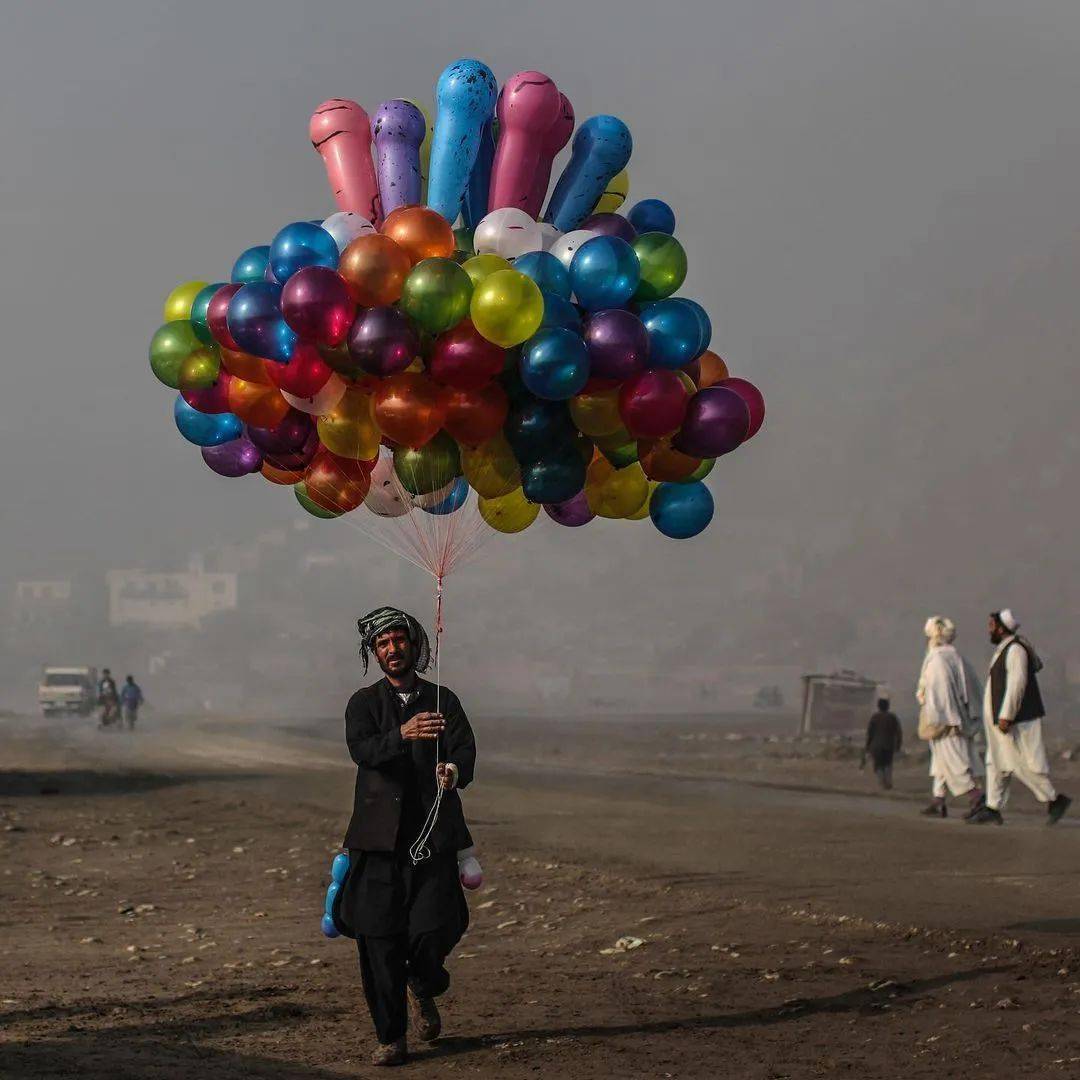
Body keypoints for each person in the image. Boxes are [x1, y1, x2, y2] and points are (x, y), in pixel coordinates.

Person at [334, 606, 477, 1067]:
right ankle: (391, 1037)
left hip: (433, 837)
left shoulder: (443, 699)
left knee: (436, 927)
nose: (392, 650)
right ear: (373, 653)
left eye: (399, 640)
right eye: (383, 644)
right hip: (376, 841)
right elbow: (363, 751)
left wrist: (451, 771)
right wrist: (403, 733)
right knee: (378, 940)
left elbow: (464, 751)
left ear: (415, 644)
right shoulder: (362, 703)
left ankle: (425, 981)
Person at [968, 609, 1071, 826]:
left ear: (1002, 628)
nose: (989, 629)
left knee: (1015, 764)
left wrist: (1006, 715)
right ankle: (993, 807)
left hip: (1013, 721)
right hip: (999, 723)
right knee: (995, 763)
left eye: (992, 626)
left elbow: (1017, 684)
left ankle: (1053, 799)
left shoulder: (1015, 650)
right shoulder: (1004, 650)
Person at [916, 617, 983, 818]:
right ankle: (938, 801)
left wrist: (941, 719)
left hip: (947, 723)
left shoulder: (938, 660)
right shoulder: (956, 657)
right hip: (958, 719)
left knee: (956, 765)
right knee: (941, 764)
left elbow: (940, 694)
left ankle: (977, 798)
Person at [864, 698, 902, 789]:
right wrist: (898, 745)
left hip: (876, 746)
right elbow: (898, 732)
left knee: (878, 766)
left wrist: (867, 746)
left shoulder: (875, 717)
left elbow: (870, 733)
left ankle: (882, 782)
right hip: (889, 746)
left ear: (878, 706)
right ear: (888, 706)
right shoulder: (892, 717)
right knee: (887, 764)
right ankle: (888, 782)